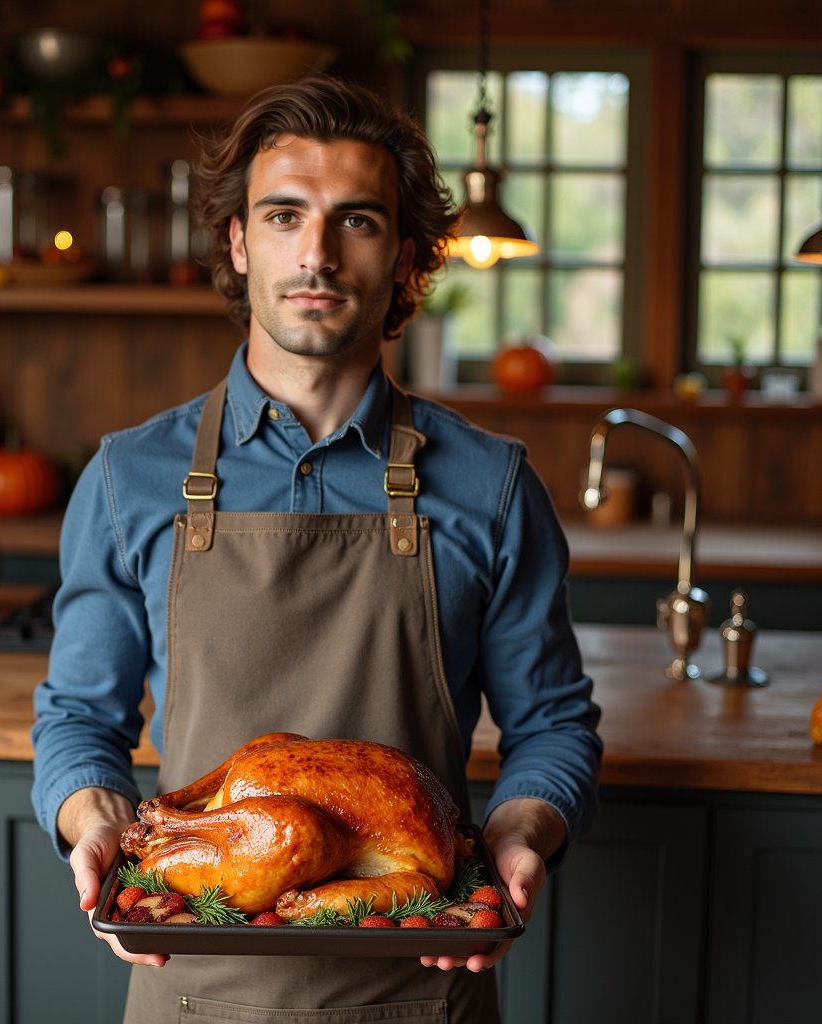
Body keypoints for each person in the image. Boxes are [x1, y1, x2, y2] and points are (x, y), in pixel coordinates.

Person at [32, 75, 602, 1023]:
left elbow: (551, 725)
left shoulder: (492, 485)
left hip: (423, 987)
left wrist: (518, 833)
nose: (318, 253)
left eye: (359, 221)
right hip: (193, 993)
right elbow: (80, 717)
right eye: (285, 215)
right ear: (239, 241)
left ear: (406, 257)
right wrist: (92, 821)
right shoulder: (131, 479)